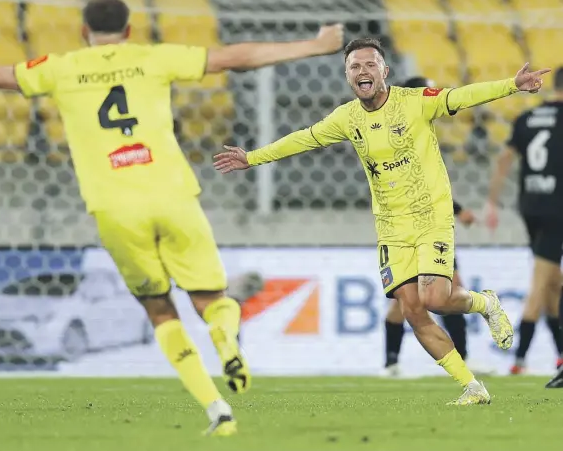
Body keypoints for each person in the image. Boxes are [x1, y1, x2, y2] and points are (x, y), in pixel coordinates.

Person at [0, 0, 345, 435]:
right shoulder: (155, 57)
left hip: (115, 207)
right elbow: (234, 58)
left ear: (85, 30)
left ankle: (216, 408)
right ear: (129, 29)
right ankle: (225, 343)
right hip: (174, 195)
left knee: (159, 310)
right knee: (211, 296)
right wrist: (315, 45)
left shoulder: (60, 68)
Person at [214, 37, 549, 405]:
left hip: (430, 216)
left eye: (370, 64)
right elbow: (304, 139)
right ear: (347, 77)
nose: (363, 71)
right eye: (354, 67)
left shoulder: (415, 102)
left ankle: (485, 304)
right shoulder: (347, 118)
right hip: (391, 226)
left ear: (384, 72)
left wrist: (510, 86)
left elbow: (461, 96)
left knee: (435, 298)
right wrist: (254, 158)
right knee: (412, 309)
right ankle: (472, 387)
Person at [382, 75, 476, 378]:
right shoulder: (409, 129)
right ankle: (397, 362)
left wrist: (457, 210)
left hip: (422, 224)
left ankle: (392, 362)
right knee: (430, 295)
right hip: (415, 227)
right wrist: (458, 211)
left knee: (414, 299)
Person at [485, 66, 563, 387]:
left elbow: (504, 160)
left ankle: (560, 356)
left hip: (530, 207)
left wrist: (491, 201)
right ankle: (519, 360)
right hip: (558, 208)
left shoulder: (526, 119)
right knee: (540, 285)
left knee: (552, 283)